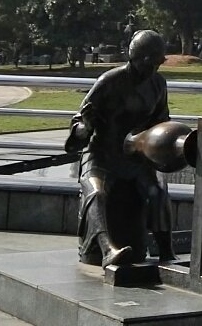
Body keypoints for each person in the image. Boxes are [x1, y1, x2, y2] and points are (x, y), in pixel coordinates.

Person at [74, 30, 173, 268]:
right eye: (149, 62)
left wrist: (161, 144)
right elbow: (79, 122)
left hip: (135, 157)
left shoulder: (158, 84)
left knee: (157, 192)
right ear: (135, 58)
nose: (153, 68)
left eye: (158, 63)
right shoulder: (109, 81)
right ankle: (107, 249)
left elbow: (162, 122)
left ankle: (166, 251)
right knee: (96, 193)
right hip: (101, 155)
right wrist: (85, 127)